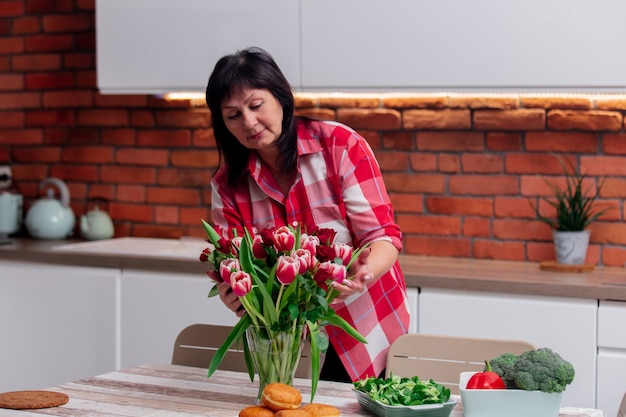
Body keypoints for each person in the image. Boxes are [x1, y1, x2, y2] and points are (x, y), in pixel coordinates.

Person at [205, 46, 411, 383]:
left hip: (368, 326)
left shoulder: (339, 146)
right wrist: (235, 293)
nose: (249, 122)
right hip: (288, 345)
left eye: (256, 106)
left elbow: (382, 237)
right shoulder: (228, 185)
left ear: (281, 97)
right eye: (233, 115)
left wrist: (359, 277)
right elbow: (235, 264)